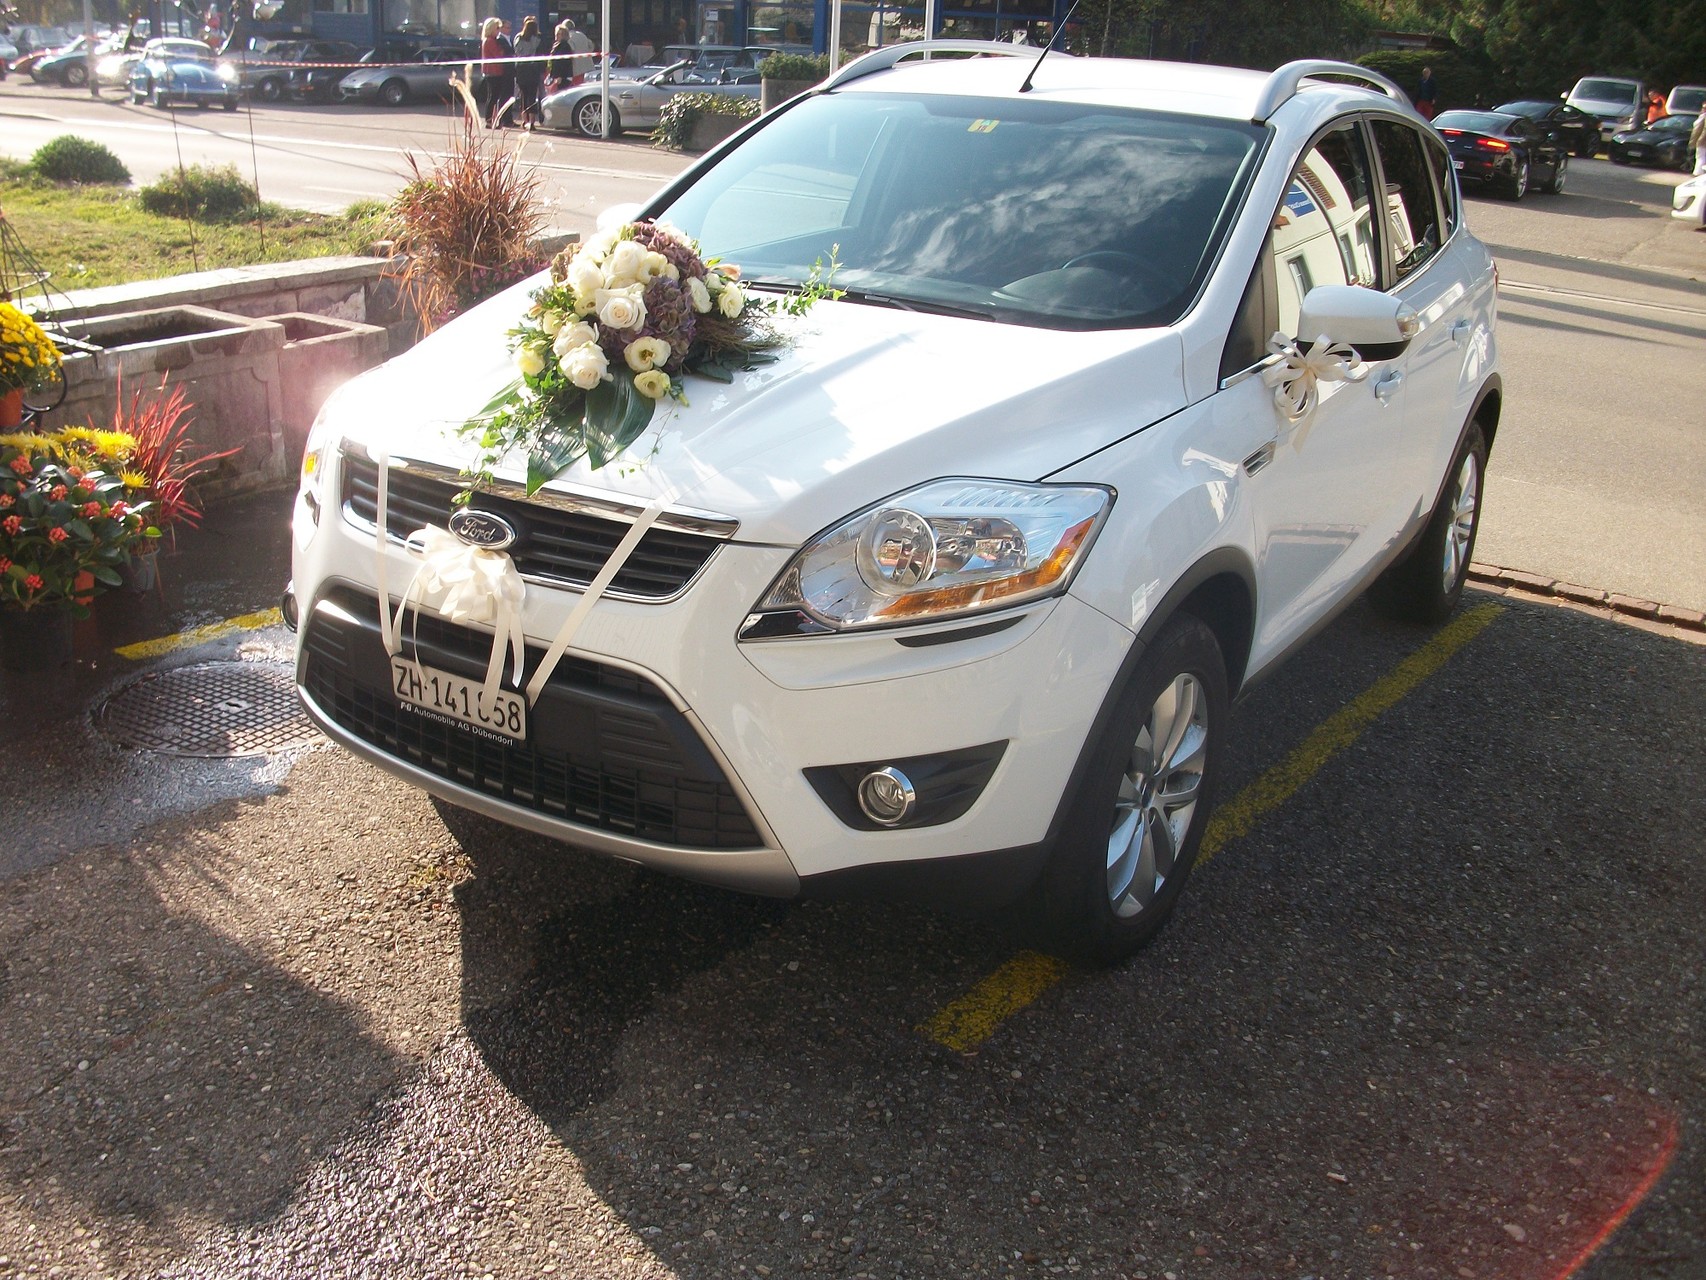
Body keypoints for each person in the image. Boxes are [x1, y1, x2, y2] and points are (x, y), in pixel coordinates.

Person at [512, 15, 543, 129]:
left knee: (523, 96)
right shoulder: (538, 38)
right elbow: (540, 52)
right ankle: (532, 122)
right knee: (532, 96)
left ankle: (524, 121)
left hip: (521, 69)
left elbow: (516, 51)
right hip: (533, 69)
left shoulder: (518, 37)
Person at [478, 17, 510, 129]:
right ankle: (489, 120)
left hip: (494, 71)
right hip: (493, 72)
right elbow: (498, 55)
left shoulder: (490, 40)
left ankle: (492, 120)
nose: (498, 30)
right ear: (491, 29)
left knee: (494, 97)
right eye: (497, 28)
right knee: (493, 97)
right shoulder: (490, 41)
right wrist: (503, 49)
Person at [1690, 108, 1706, 175]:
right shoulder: (1703, 117)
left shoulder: (1701, 117)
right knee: (1701, 158)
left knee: (1700, 158)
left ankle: (1697, 172)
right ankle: (1699, 173)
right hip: (1703, 142)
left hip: (1700, 142)